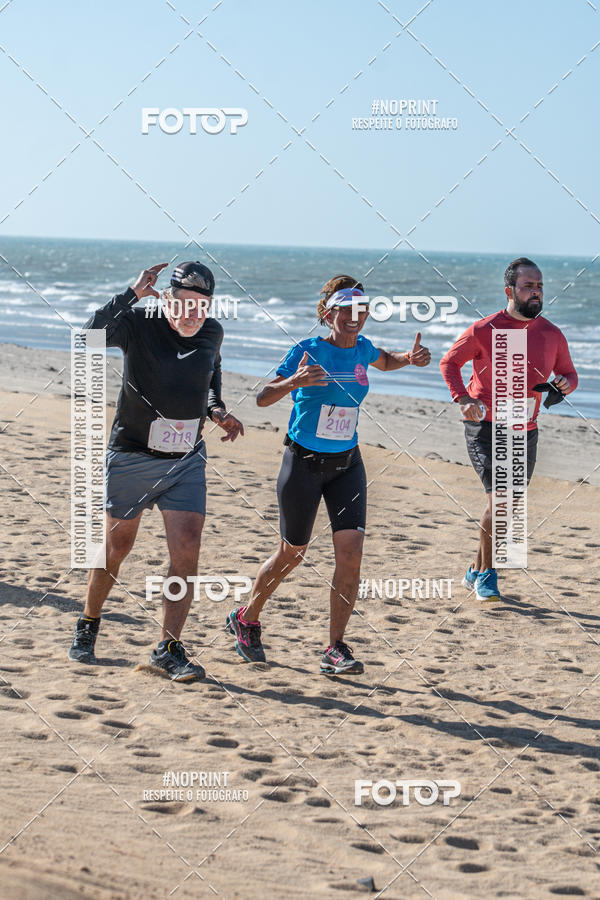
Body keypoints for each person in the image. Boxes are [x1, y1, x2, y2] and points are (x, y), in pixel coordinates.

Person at [226, 274, 431, 674]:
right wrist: (294, 381)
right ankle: (246, 617)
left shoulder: (363, 349)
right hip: (302, 464)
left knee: (351, 555)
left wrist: (410, 358)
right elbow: (263, 397)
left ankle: (335, 648)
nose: (354, 317)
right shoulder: (308, 350)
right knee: (292, 554)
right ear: (328, 313)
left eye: (361, 310)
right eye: (345, 310)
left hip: (347, 466)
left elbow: (384, 360)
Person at [68, 261, 244, 681]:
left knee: (186, 549)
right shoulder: (137, 325)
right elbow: (87, 338)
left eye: (202, 305)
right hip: (131, 457)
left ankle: (168, 647)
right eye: (185, 303)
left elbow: (210, 377)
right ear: (168, 298)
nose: (193, 313)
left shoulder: (212, 333)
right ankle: (89, 621)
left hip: (186, 461)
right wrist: (131, 293)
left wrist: (217, 410)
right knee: (117, 548)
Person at [440, 257, 578, 602]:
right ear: (509, 290)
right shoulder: (484, 330)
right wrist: (462, 399)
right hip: (485, 427)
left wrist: (565, 383)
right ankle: (488, 575)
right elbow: (450, 363)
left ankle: (474, 570)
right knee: (501, 502)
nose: (536, 292)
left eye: (540, 286)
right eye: (528, 286)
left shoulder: (551, 333)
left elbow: (570, 375)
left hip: (525, 430)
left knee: (508, 504)